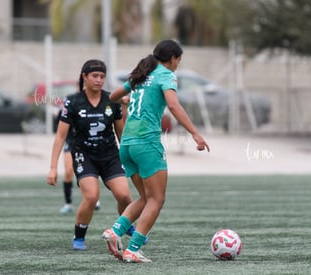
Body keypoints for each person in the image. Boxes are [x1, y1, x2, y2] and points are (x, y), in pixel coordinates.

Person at [102, 39, 210, 263]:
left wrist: (129, 100)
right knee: (157, 200)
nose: (177, 65)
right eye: (178, 61)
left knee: (145, 197)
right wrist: (195, 133)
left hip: (127, 143)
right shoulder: (165, 75)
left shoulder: (141, 75)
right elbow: (173, 105)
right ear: (172, 59)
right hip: (147, 143)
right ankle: (133, 249)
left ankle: (114, 231)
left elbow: (112, 96)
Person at [47, 59, 135, 250]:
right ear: (84, 77)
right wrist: (53, 168)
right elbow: (60, 137)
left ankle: (125, 224)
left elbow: (121, 133)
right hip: (84, 155)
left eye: (102, 76)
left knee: (125, 197)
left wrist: (129, 158)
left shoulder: (112, 99)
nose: (99, 80)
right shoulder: (73, 101)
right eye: (94, 76)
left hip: (110, 155)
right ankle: (79, 237)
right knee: (92, 196)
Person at [57, 111, 101, 214]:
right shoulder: (69, 107)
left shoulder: (93, 108)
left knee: (91, 171)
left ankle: (94, 199)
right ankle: (68, 204)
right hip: (71, 143)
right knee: (68, 172)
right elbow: (60, 131)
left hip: (87, 144)